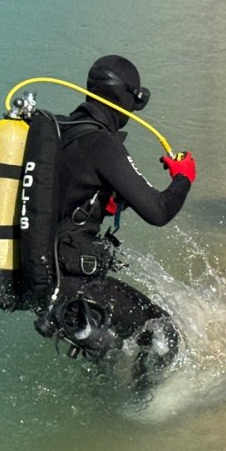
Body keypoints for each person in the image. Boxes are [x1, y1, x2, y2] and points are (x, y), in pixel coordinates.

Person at [33, 55, 196, 383]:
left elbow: (70, 192)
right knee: (163, 331)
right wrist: (184, 178)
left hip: (45, 281)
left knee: (109, 353)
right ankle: (145, 409)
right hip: (74, 282)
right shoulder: (101, 143)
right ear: (124, 98)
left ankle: (103, 411)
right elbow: (159, 211)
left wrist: (102, 203)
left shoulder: (64, 132)